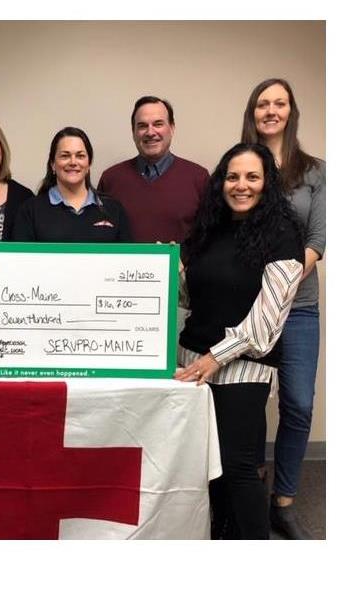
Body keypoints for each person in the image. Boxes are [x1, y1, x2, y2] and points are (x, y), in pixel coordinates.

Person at [175, 143, 304, 539]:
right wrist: (160, 271)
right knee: (203, 465)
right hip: (191, 360)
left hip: (241, 365)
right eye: (233, 177)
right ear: (221, 182)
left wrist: (216, 358)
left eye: (252, 177)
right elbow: (187, 296)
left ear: (267, 183)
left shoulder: (282, 234)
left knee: (237, 465)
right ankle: (222, 539)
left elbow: (265, 324)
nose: (241, 185)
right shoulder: (208, 229)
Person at [241, 78, 326, 539]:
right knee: (250, 401)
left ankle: (285, 500)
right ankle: (251, 487)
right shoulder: (243, 164)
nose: (270, 110)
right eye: (262, 104)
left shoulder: (316, 171)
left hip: (298, 305)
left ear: (291, 112)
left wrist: (286, 280)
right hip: (248, 305)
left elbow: (318, 239)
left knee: (297, 403)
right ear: (252, 112)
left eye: (279, 103)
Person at [97, 96, 209, 242]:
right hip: (125, 265)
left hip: (181, 265)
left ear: (172, 128)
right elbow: (100, 236)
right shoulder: (111, 179)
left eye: (158, 124)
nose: (150, 132)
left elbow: (209, 237)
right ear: (133, 132)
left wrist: (185, 261)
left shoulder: (199, 178)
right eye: (142, 126)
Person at [12, 126, 131, 242]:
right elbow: (21, 260)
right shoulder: (30, 211)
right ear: (53, 164)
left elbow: (127, 259)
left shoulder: (114, 209)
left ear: (89, 164)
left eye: (80, 156)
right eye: (65, 156)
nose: (73, 162)